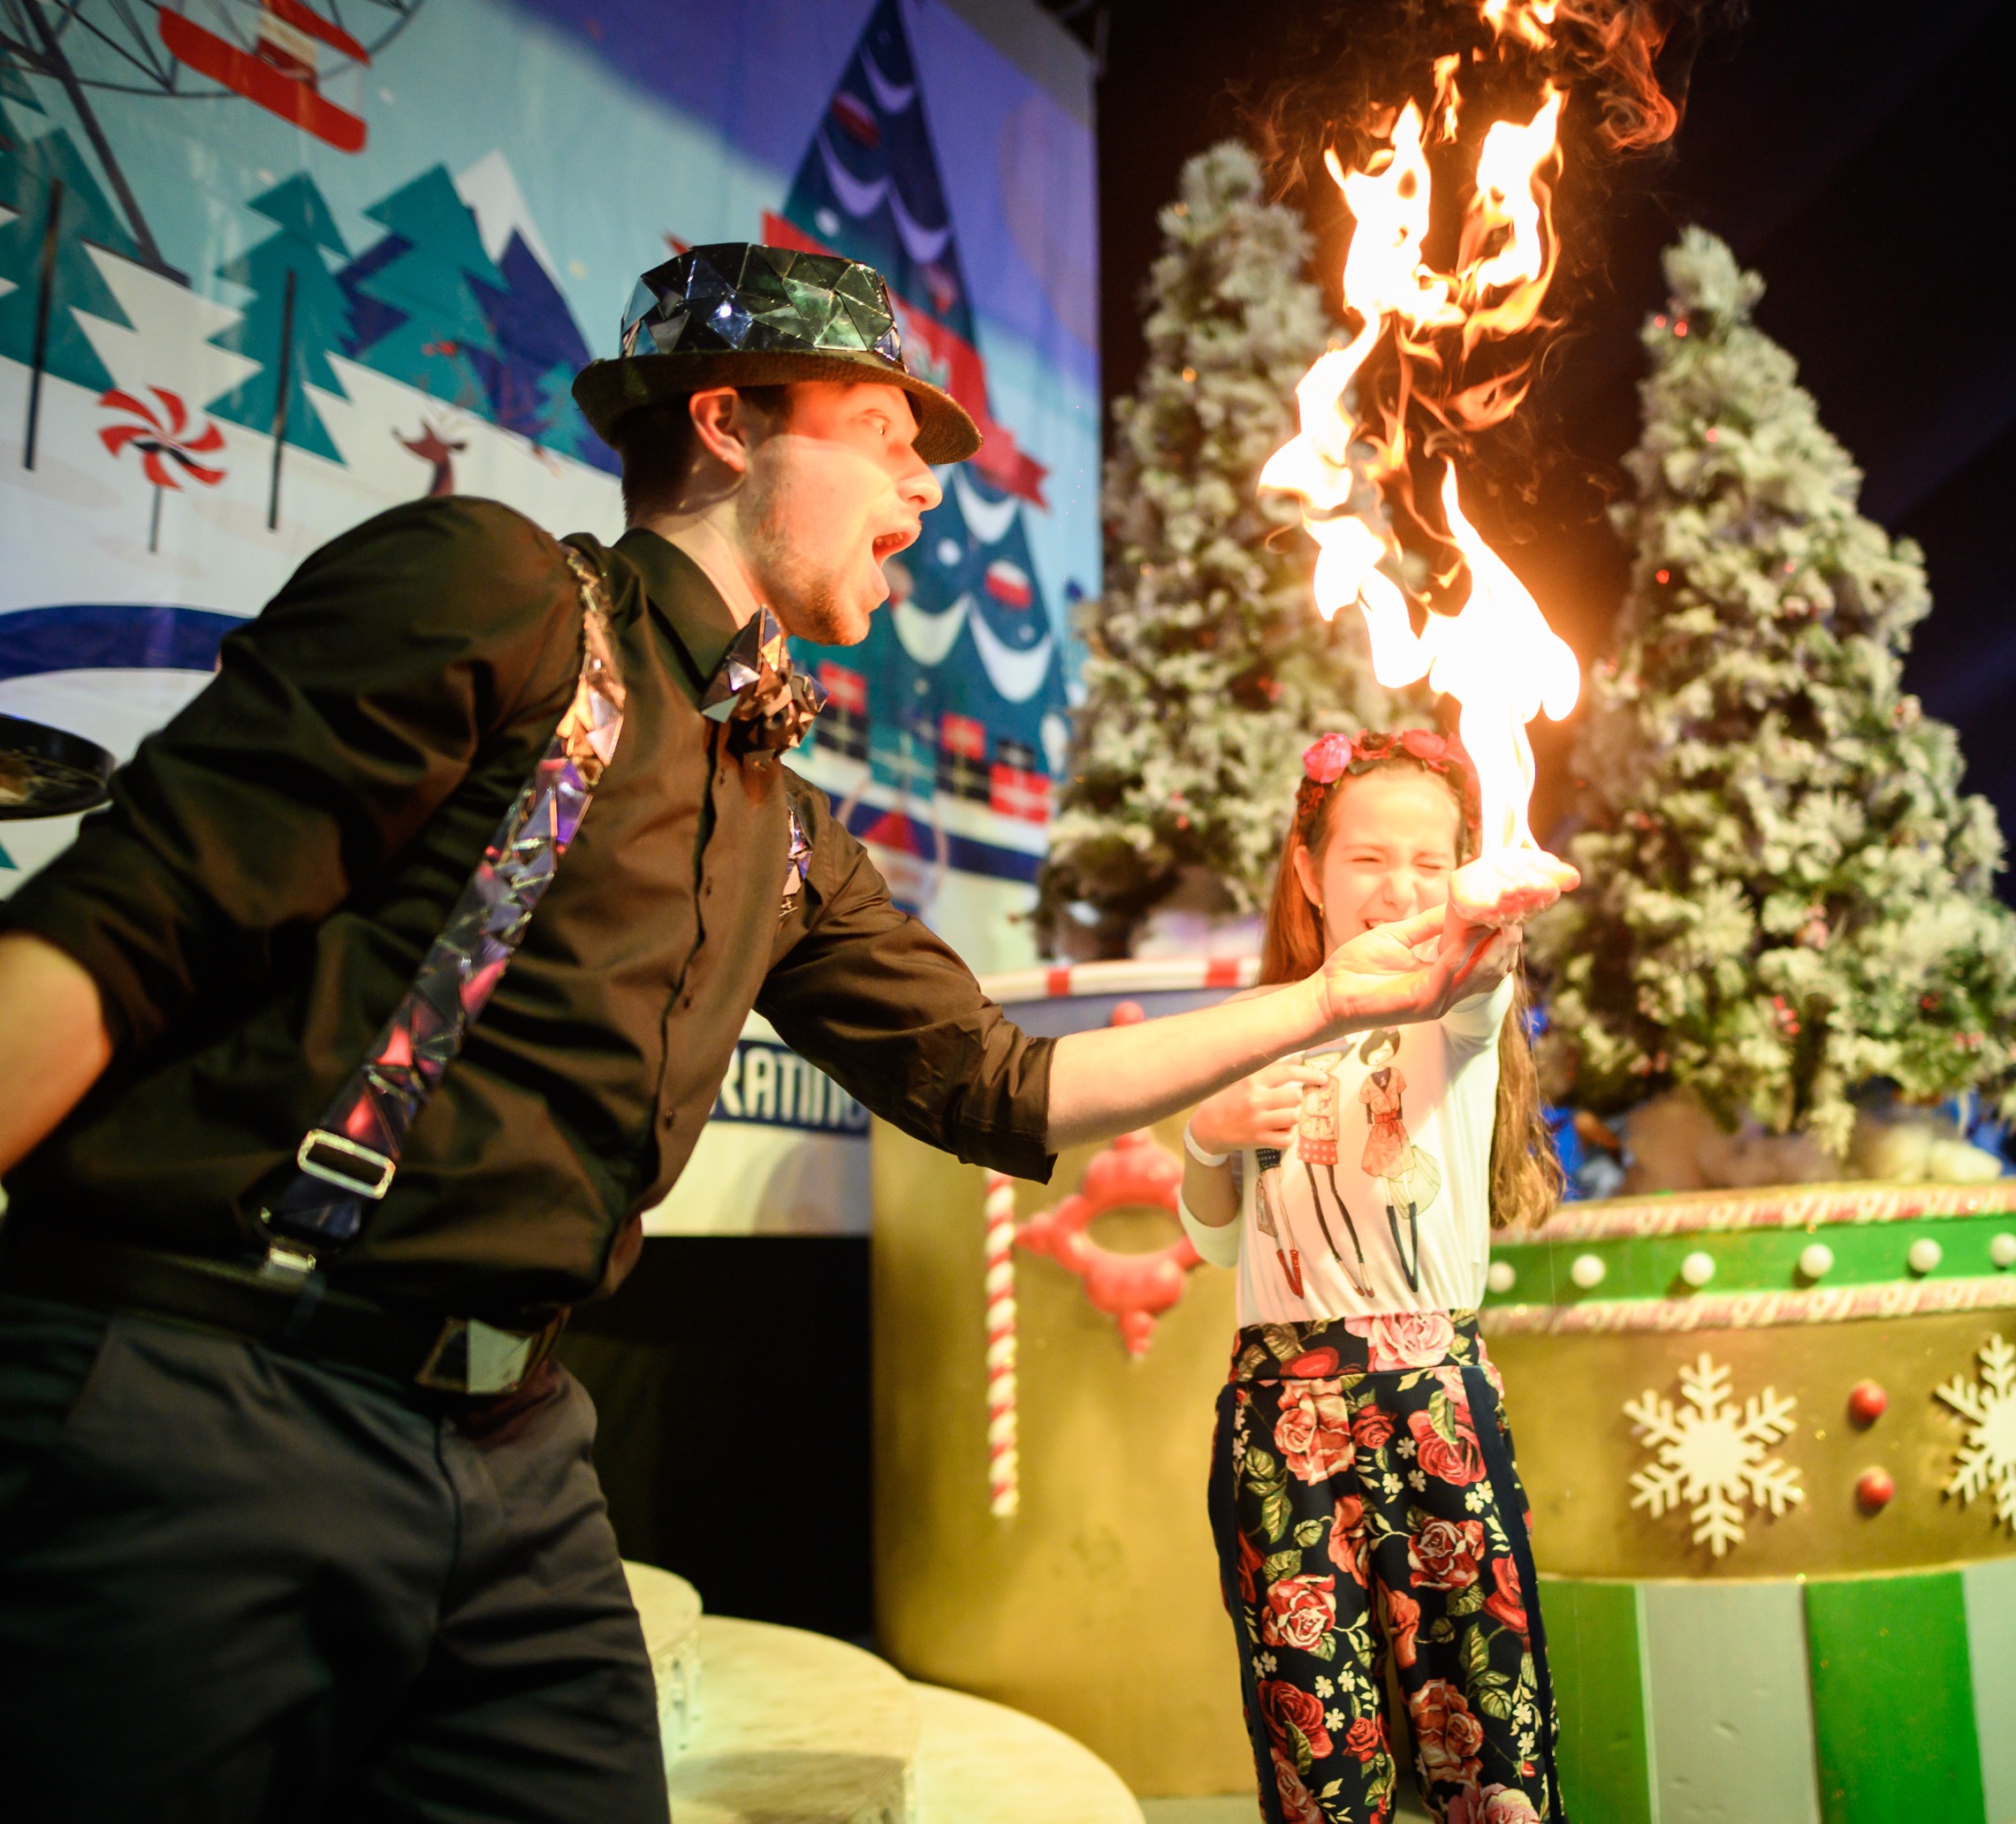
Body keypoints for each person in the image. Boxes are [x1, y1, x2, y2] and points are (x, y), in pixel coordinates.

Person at [0, 247, 1527, 1822]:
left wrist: (1335, 998)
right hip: (213, 1382)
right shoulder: (494, 591)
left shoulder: (781, 826)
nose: (925, 488)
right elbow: (120, 933)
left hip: (511, 1446)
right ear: (727, 423)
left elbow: (1006, 1083)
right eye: (882, 433)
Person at [1178, 729, 1572, 1824]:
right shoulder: (1258, 1029)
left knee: (1489, 1742)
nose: (1400, 887)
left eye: (1428, 863)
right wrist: (1208, 1135)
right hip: (1280, 1411)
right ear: (1309, 872)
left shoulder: (1450, 1016)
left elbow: (1479, 976)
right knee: (1315, 1752)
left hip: (1433, 1402)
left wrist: (1483, 906)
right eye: (1368, 859)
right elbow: (1217, 1242)